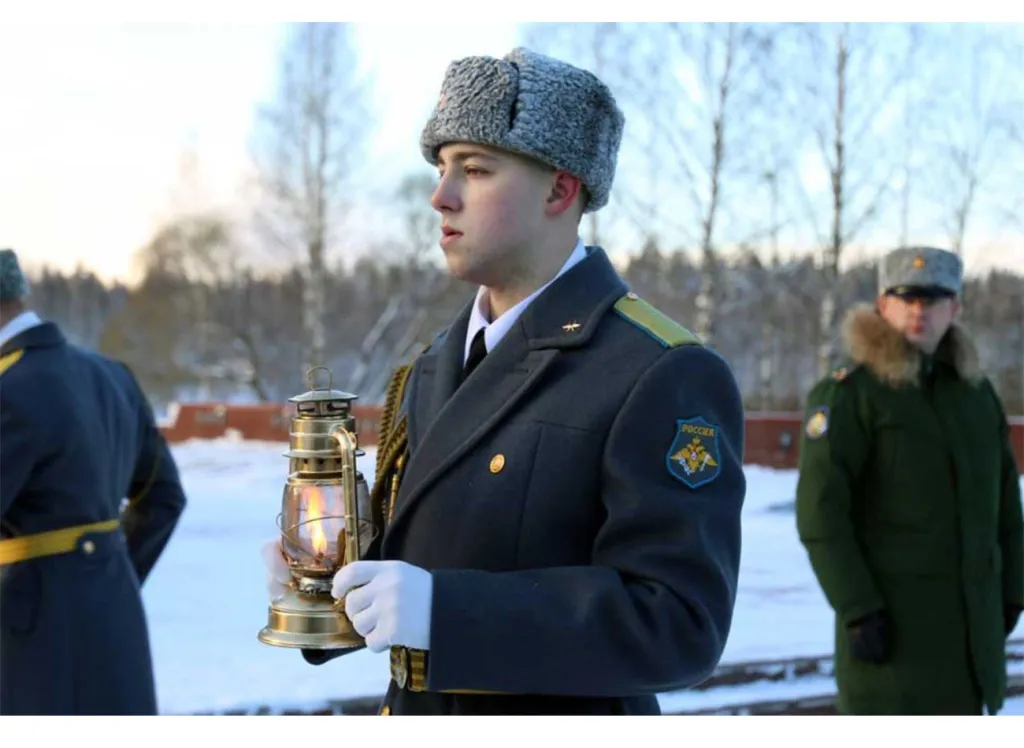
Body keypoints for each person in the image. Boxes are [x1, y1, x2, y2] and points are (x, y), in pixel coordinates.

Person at [265, 47, 747, 716]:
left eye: (475, 169)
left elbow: (678, 625)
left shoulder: (657, 370)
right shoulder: (431, 365)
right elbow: (427, 556)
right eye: (441, 167)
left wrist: (445, 612)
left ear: (559, 190)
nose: (441, 195)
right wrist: (326, 584)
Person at [795, 245, 1024, 715]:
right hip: (892, 643)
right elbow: (821, 516)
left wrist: (1013, 591)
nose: (919, 311)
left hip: (971, 648)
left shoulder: (976, 396)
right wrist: (858, 609)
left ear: (954, 308)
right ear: (883, 305)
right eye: (906, 298)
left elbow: (1006, 507)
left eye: (933, 299)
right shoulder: (851, 395)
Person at [0, 248, 188, 715]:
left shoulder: (8, 389)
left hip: (28, 639)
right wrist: (102, 575)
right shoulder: (110, 375)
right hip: (114, 620)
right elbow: (163, 497)